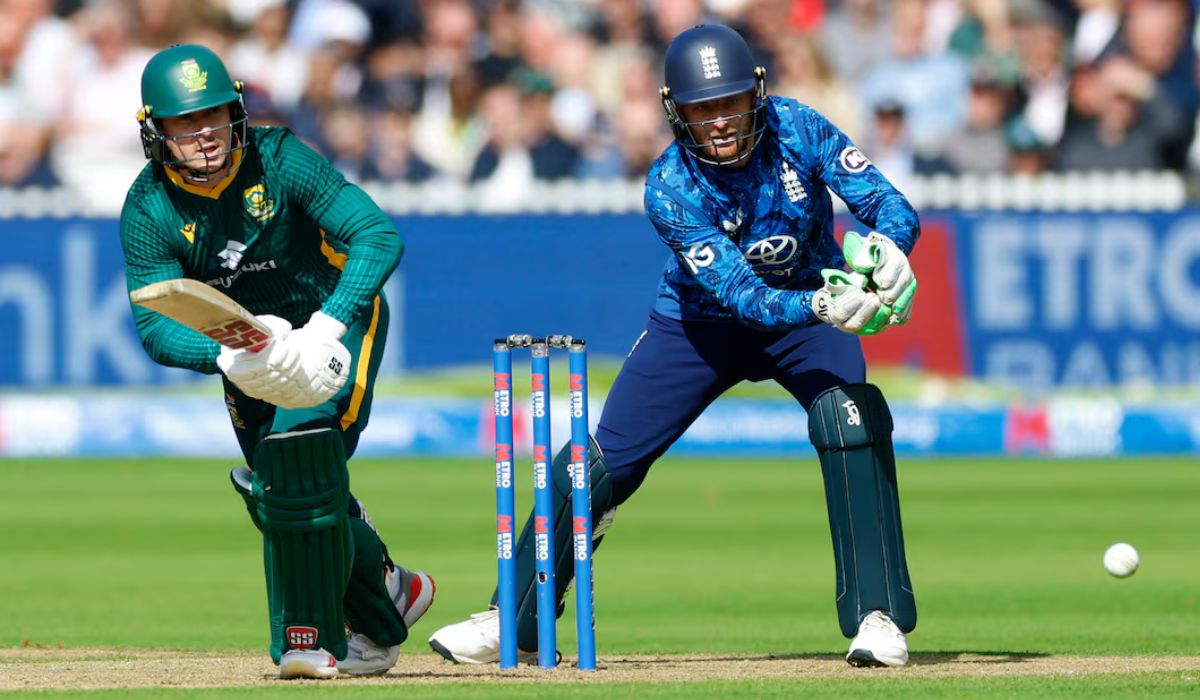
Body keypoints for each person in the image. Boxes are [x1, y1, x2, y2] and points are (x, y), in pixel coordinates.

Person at [428, 23, 920, 668]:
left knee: (849, 421)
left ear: (758, 96)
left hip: (806, 326)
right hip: (700, 325)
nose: (718, 122)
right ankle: (513, 615)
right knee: (599, 463)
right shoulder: (669, 186)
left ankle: (877, 618)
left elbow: (889, 204)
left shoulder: (800, 127)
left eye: (730, 103)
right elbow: (744, 297)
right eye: (701, 108)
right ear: (674, 110)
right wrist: (826, 304)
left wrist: (888, 252)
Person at [120, 44, 435, 680]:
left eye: (213, 115)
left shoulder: (280, 157)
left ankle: (307, 642)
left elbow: (377, 235)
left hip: (332, 322)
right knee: (279, 489)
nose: (203, 135)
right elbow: (153, 326)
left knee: (298, 461)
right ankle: (388, 594)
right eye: (184, 123)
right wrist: (224, 357)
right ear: (156, 130)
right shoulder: (148, 207)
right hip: (247, 348)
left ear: (236, 111)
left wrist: (325, 327)